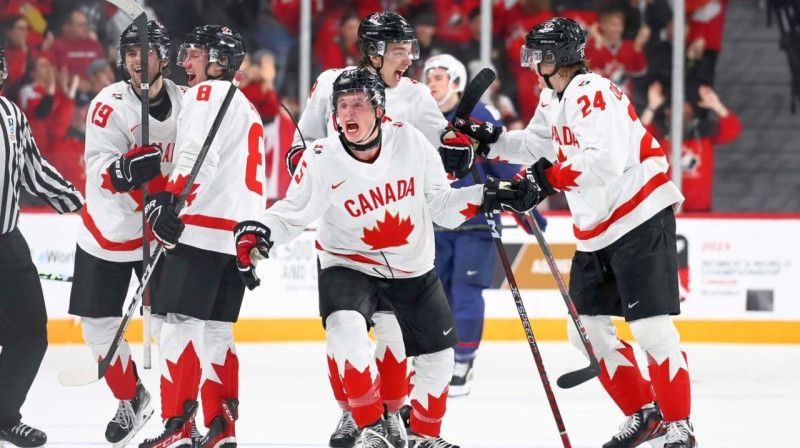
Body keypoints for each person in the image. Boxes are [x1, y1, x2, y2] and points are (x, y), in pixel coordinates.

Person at [234, 67, 539, 448]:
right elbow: (289, 213)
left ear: (380, 110)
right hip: (348, 264)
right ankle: (370, 426)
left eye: (359, 104)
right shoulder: (321, 157)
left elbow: (442, 206)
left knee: (440, 360)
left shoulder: (410, 141)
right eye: (342, 105)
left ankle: (424, 436)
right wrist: (258, 230)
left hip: (409, 266)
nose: (349, 112)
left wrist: (486, 195)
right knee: (346, 332)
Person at [442, 17, 697, 448]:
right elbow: (537, 145)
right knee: (586, 330)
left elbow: (604, 161)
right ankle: (646, 414)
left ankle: (679, 424)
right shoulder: (553, 97)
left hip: (638, 217)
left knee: (652, 328)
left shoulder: (592, 92)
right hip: (596, 228)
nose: (531, 63)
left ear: (557, 57)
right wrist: (489, 140)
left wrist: (541, 182)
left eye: (538, 55)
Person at [284, 11, 448, 447]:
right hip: (346, 233)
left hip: (396, 237)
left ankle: (389, 417)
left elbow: (445, 147)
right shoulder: (332, 82)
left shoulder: (413, 95)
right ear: (374, 53)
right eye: (399, 51)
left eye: (410, 50)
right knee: (345, 332)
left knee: (392, 331)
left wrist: (463, 148)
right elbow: (304, 146)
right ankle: (353, 414)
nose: (409, 60)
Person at [139, 24, 264, 448]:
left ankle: (178, 427)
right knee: (217, 332)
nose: (183, 63)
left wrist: (168, 203)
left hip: (203, 231)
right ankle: (222, 427)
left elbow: (196, 157)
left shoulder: (207, 94)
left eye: (193, 54)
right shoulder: (247, 106)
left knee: (177, 327)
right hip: (238, 239)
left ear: (218, 61)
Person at [67, 20, 186, 448]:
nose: (138, 59)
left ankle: (181, 417)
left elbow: (192, 169)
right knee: (98, 330)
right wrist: (120, 171)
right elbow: (96, 170)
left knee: (177, 328)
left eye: (147, 51)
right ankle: (132, 397)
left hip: (161, 236)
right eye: (131, 52)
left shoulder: (186, 103)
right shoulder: (108, 104)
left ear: (163, 57)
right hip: (109, 232)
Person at [422, 53, 547, 397]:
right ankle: (443, 360)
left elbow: (502, 161)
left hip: (476, 220)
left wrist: (527, 207)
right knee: (439, 296)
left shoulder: (476, 114)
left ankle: (463, 363)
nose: (431, 83)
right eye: (428, 77)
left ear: (458, 83)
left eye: (439, 77)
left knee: (465, 292)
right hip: (434, 222)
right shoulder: (421, 119)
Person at [0, 46, 84, 448]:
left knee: (30, 334)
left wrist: (80, 203)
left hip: (7, 243)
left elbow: (34, 169)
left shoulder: (11, 115)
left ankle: (2, 415)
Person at [640, 81, 741, 212]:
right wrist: (651, 107)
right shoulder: (659, 133)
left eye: (684, 105)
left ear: (692, 108)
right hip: (664, 210)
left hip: (700, 210)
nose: (679, 111)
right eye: (673, 107)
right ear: (666, 111)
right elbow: (639, 138)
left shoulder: (704, 133)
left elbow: (733, 129)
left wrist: (717, 105)